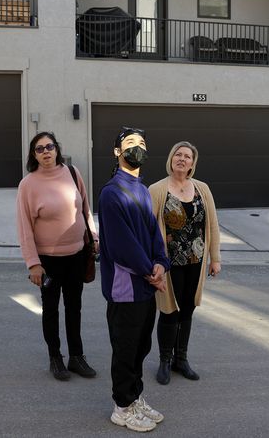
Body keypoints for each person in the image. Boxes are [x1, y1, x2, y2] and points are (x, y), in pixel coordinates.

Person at [98, 127, 171, 433]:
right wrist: (149, 271)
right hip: (125, 287)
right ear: (118, 152)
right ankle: (122, 407)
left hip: (145, 283)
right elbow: (121, 244)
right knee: (126, 348)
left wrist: (161, 263)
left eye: (142, 143)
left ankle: (135, 396)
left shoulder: (142, 189)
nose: (137, 148)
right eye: (130, 144)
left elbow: (154, 233)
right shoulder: (112, 193)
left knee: (141, 346)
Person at [16, 131, 98, 381]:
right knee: (51, 310)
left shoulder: (73, 173)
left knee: (75, 308)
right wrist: (33, 264)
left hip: (76, 254)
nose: (46, 152)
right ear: (34, 155)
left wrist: (93, 238)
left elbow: (85, 208)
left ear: (57, 149)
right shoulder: (28, 185)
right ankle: (55, 358)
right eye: (39, 149)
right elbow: (24, 228)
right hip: (48, 261)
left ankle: (76, 357)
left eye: (49, 146)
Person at [149, 141, 221, 385]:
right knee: (170, 311)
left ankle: (182, 359)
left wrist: (215, 258)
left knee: (188, 309)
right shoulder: (157, 189)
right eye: (177, 155)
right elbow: (149, 229)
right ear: (171, 159)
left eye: (187, 156)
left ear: (193, 163)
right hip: (169, 264)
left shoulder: (202, 189)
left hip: (196, 262)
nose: (182, 159)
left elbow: (212, 225)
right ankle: (164, 361)